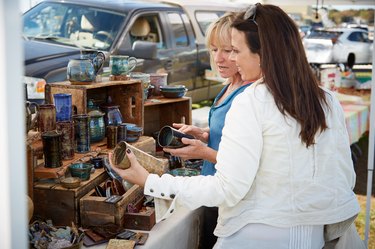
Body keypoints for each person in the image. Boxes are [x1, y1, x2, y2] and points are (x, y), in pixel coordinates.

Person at [110, 3, 361, 248]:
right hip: (312, 237)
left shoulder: (252, 100)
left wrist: (150, 180)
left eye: (236, 51)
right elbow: (343, 179)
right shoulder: (326, 100)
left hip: (256, 236)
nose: (231, 58)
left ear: (264, 54)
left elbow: (226, 188)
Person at [162, 12, 252, 248]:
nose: (219, 58)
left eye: (228, 50)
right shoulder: (230, 84)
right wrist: (205, 134)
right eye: (214, 50)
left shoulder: (250, 95)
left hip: (229, 196)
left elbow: (247, 164)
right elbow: (230, 135)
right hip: (211, 183)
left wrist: (203, 152)